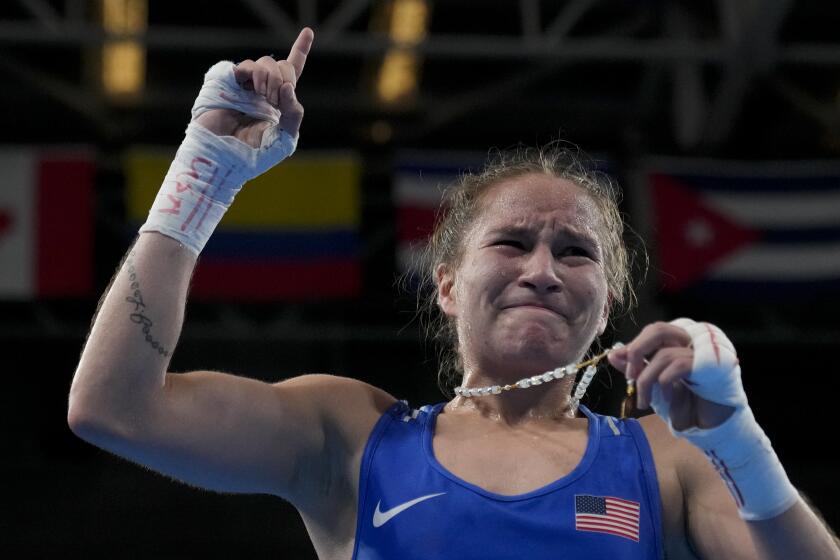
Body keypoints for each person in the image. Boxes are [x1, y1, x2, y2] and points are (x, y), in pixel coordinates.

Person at [68, 27, 840, 559]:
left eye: (574, 253)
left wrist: (738, 440)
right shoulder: (350, 434)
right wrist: (200, 175)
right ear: (445, 284)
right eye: (512, 242)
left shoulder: (671, 462)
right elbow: (115, 408)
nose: (541, 270)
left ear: (606, 307)